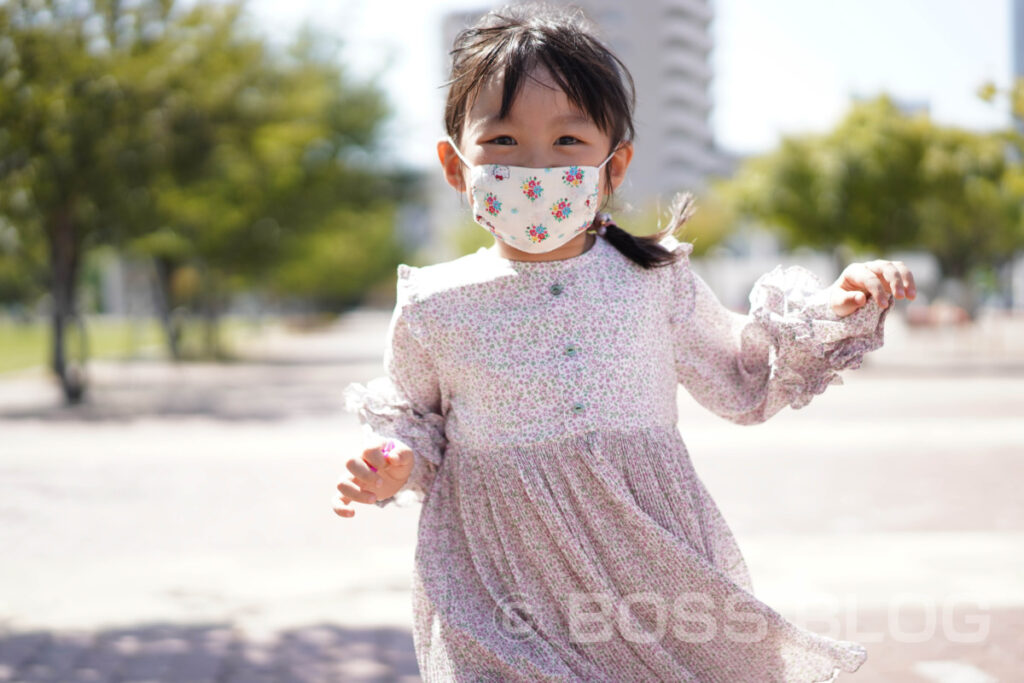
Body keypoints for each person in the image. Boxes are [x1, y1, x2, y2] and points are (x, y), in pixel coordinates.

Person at [334, 4, 916, 681]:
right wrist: (396, 463)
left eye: (568, 143)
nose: (534, 166)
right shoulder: (434, 305)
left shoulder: (653, 280)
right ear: (455, 163)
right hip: (501, 595)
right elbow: (419, 424)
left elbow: (743, 375)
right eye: (502, 142)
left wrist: (835, 305)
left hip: (648, 589)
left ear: (614, 166)